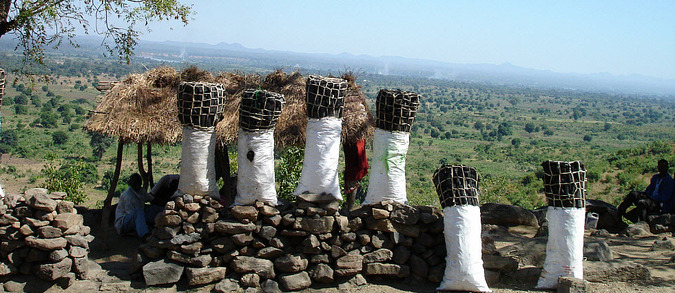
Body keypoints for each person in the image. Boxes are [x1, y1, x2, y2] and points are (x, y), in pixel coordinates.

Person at [114, 173, 163, 239]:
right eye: (135, 182)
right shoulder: (128, 196)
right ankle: (144, 235)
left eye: (139, 182)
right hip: (124, 223)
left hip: (138, 216)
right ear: (130, 183)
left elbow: (152, 199)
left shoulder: (141, 191)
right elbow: (133, 215)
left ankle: (163, 222)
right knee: (139, 212)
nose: (137, 184)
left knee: (153, 209)